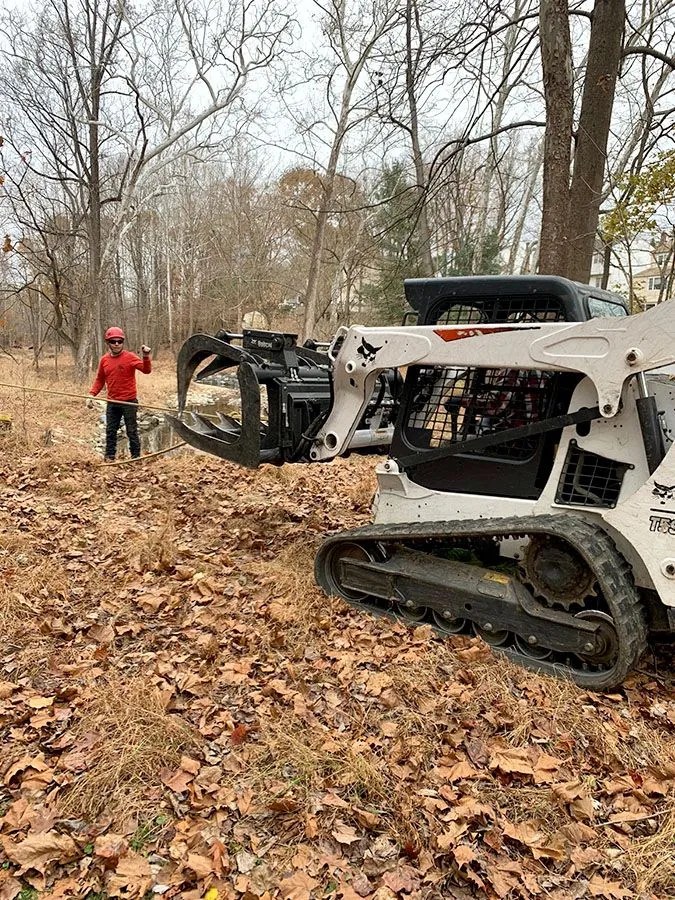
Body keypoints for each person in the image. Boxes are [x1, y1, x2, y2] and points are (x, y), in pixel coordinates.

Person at [88, 327, 152, 461]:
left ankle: (135, 458)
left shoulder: (130, 357)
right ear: (108, 343)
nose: (116, 344)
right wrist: (92, 394)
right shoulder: (104, 360)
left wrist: (145, 356)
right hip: (112, 402)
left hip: (129, 401)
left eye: (119, 341)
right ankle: (109, 457)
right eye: (113, 341)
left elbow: (146, 370)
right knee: (111, 431)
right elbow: (100, 380)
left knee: (131, 431)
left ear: (123, 342)